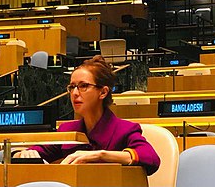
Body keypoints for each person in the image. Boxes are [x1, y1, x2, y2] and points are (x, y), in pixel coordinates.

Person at [13, 55, 160, 175]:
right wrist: (22, 155)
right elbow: (36, 151)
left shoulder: (125, 129)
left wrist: (101, 155)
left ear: (103, 92)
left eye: (83, 86)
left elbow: (151, 158)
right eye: (72, 87)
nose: (75, 93)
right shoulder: (67, 130)